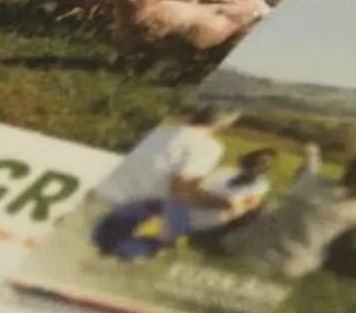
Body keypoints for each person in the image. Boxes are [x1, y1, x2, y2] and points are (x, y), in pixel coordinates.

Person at [211, 150, 356, 279]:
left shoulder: (309, 181)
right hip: (287, 265)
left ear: (348, 167)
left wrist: (313, 155)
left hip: (244, 247)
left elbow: (309, 173)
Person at [86, 110, 241, 261]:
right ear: (224, 125)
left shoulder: (158, 133)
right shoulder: (207, 147)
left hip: (97, 199)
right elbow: (182, 190)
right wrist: (224, 204)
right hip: (126, 216)